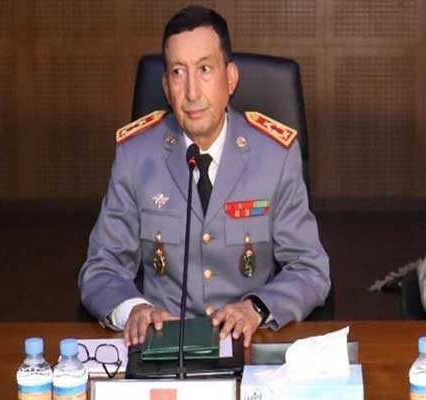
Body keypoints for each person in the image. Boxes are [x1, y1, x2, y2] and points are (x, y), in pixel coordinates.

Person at [78, 5, 330, 348]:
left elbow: (310, 267)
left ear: (231, 78)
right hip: (164, 345)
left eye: (205, 69)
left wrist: (257, 307)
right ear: (166, 86)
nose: (192, 93)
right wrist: (133, 309)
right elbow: (101, 266)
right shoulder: (136, 155)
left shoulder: (275, 155)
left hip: (247, 344)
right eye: (178, 73)